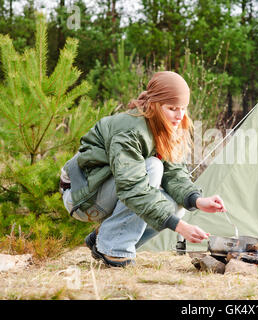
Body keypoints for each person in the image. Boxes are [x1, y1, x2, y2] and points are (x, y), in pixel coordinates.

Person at [60, 71, 226, 267]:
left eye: (183, 108)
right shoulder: (130, 131)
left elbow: (174, 173)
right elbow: (133, 189)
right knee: (153, 168)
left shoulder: (165, 127)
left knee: (176, 206)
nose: (179, 115)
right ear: (154, 104)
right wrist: (180, 228)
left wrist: (197, 200)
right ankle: (115, 250)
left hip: (107, 191)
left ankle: (103, 239)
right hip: (82, 197)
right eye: (172, 108)